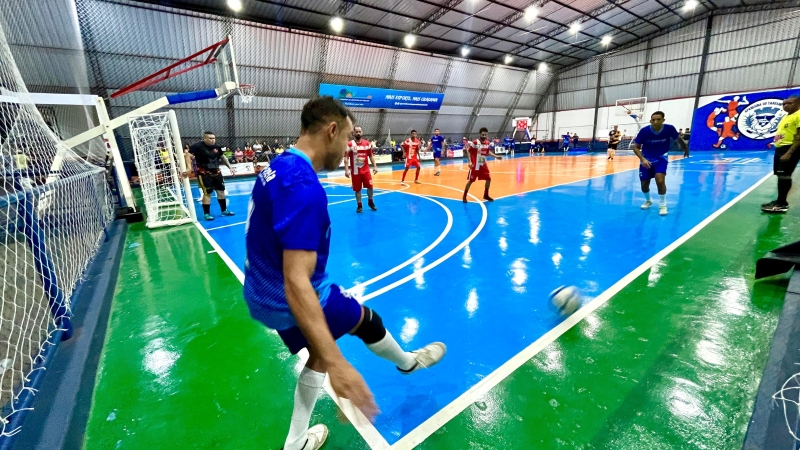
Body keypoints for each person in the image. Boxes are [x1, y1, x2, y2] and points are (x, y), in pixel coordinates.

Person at [242, 96, 446, 450]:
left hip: (259, 292)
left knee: (319, 351)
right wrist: (339, 365)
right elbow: (296, 280)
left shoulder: (279, 165)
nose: (349, 145)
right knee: (365, 321)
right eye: (348, 137)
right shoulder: (304, 188)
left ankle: (296, 442)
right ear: (331, 130)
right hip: (286, 296)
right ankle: (408, 363)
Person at [632, 111, 688, 216]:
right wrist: (642, 159)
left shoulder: (669, 129)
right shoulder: (644, 131)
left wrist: (685, 148)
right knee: (644, 185)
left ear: (663, 120)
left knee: (660, 180)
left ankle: (662, 205)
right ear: (650, 121)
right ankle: (649, 200)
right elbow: (635, 147)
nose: (655, 122)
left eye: (658, 119)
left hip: (661, 158)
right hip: (646, 159)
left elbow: (678, 139)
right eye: (653, 120)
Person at [184, 131, 236, 220]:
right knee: (207, 193)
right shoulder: (197, 146)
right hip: (204, 173)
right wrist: (189, 168)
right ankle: (206, 214)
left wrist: (230, 167)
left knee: (221, 191)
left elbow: (223, 157)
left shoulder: (217, 147)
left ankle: (224, 210)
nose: (213, 140)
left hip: (217, 172)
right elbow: (188, 155)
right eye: (210, 138)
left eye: (214, 138)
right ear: (204, 138)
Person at [762, 96, 800, 213]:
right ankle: (779, 200)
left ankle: (782, 204)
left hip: (789, 149)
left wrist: (789, 153)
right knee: (780, 175)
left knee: (785, 176)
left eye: (789, 103)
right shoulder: (787, 116)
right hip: (780, 149)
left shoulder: (798, 115)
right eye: (784, 104)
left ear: (798, 104)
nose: (786, 106)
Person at [344, 126, 379, 213]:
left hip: (366, 170)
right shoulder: (350, 144)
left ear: (362, 132)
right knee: (357, 189)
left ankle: (370, 202)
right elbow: (346, 158)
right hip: (355, 172)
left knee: (370, 187)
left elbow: (371, 156)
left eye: (359, 131)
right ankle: (359, 205)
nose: (358, 133)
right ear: (353, 133)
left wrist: (375, 166)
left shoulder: (367, 144)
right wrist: (346, 170)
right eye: (356, 131)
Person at [463, 127, 503, 203]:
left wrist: (496, 156)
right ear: (480, 134)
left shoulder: (487, 142)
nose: (484, 136)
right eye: (483, 134)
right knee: (471, 181)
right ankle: (464, 196)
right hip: (475, 164)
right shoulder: (475, 142)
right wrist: (470, 162)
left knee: (488, 178)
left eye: (485, 135)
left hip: (482, 162)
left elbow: (487, 152)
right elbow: (468, 151)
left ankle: (486, 195)